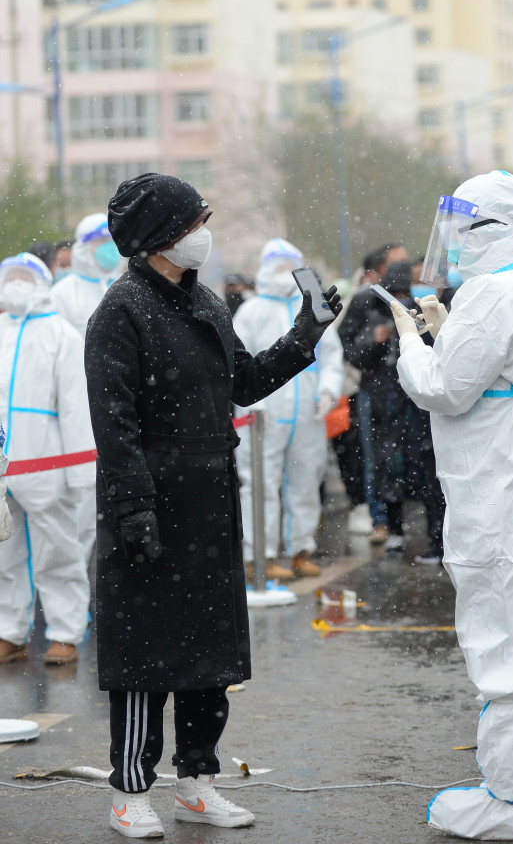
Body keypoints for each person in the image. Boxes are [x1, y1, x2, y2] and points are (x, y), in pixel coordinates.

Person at [84, 173, 341, 839]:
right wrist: (134, 508)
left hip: (208, 501)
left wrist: (306, 333)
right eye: (198, 221)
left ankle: (197, 779)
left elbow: (246, 380)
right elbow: (115, 429)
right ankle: (130, 789)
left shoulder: (205, 305)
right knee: (144, 660)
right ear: (162, 236)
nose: (207, 232)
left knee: (207, 656)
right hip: (150, 504)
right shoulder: (121, 314)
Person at [392, 171, 513, 840]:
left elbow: (446, 388)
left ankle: (507, 799)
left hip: (502, 485)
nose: (451, 242)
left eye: (461, 228)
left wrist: (413, 347)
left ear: (487, 229)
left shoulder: (493, 291)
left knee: (502, 632)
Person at [0, 253, 94, 666]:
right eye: (10, 277)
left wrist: (80, 473)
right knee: (4, 553)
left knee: (58, 550)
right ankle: (8, 631)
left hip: (47, 460)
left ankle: (65, 633)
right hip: (4, 465)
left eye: (26, 276)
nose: (17, 283)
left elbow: (75, 408)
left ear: (42, 282)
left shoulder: (62, 335)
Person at [233, 238, 343, 580]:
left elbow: (332, 356)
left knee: (306, 480)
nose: (284, 272)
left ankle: (300, 549)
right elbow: (238, 366)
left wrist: (328, 390)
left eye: (290, 265)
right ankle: (259, 556)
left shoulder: (313, 310)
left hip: (307, 413)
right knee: (260, 484)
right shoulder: (250, 311)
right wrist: (255, 403)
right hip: (262, 415)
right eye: (278, 265)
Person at [53, 214, 124, 564]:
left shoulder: (122, 288)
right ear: (84, 248)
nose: (110, 251)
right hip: (78, 412)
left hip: (120, 410)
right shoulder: (62, 295)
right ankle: (77, 595)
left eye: (113, 243)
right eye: (101, 244)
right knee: (80, 510)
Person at [339, 243, 410, 544]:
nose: (402, 271)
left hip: (409, 391)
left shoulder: (413, 301)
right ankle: (379, 520)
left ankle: (399, 524)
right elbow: (347, 349)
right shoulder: (364, 302)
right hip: (374, 392)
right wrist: (374, 340)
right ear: (379, 271)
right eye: (396, 265)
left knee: (404, 459)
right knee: (374, 459)